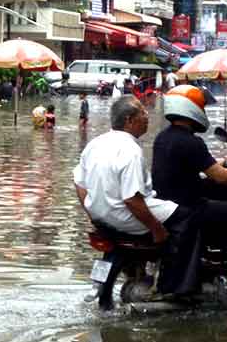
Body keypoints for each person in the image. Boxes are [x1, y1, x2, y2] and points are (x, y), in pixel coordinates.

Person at [152, 85, 227, 292]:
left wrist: (217, 162)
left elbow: (186, 166)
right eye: (202, 107)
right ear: (191, 109)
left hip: (169, 202)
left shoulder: (163, 137)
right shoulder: (191, 141)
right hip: (189, 207)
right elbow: (221, 177)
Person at [74, 97, 184, 244]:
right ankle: (182, 266)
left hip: (100, 218)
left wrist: (93, 215)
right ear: (129, 120)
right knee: (187, 216)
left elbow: (79, 184)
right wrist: (156, 229)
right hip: (124, 218)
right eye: (143, 113)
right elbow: (131, 200)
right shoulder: (131, 151)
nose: (147, 116)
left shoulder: (95, 143)